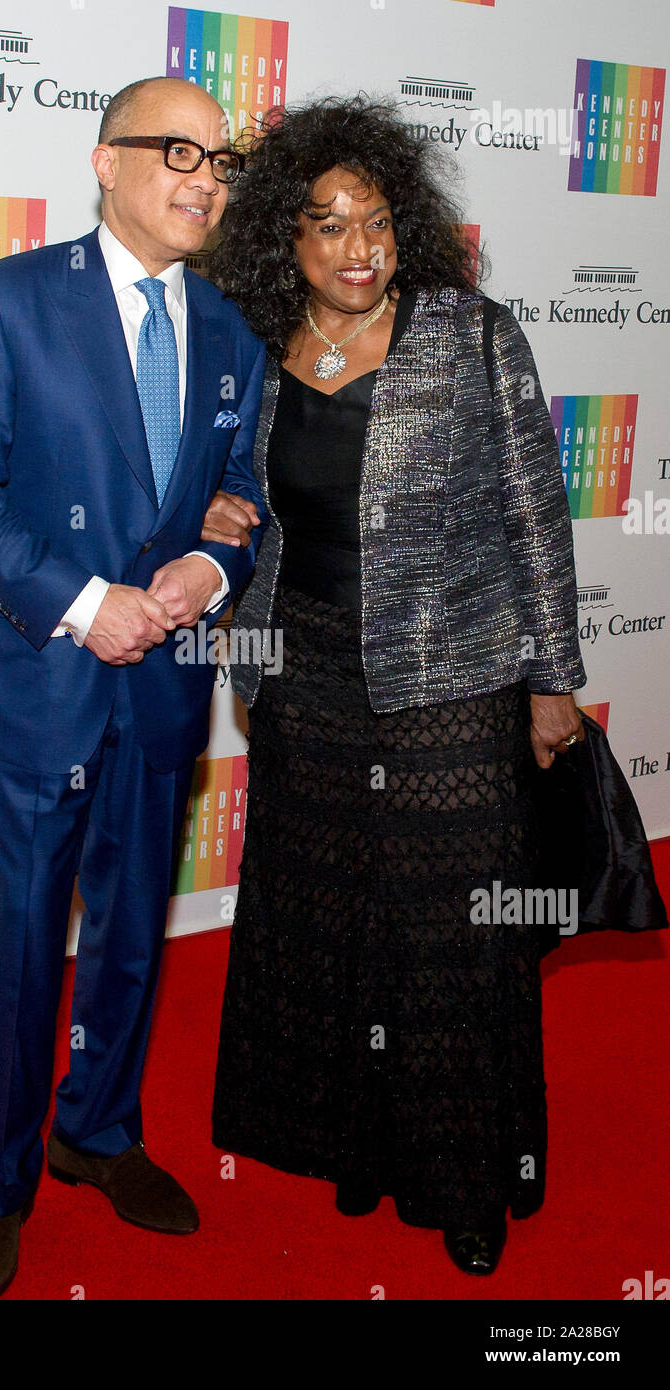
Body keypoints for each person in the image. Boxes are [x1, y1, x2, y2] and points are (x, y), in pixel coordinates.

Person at [202, 96, 586, 1276]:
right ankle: (360, 1148)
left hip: (454, 676)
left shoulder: (472, 335)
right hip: (305, 672)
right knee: (335, 921)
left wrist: (552, 679)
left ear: (402, 228)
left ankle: (468, 1179)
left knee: (450, 933)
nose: (357, 246)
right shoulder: (264, 354)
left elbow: (536, 514)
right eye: (328, 225)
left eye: (375, 222)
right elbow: (251, 518)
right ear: (287, 241)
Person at [0, 76, 267, 1300]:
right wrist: (87, 600)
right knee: (19, 945)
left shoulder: (231, 330)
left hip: (167, 687)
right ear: (102, 160)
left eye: (221, 160)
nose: (205, 177)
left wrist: (209, 568)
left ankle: (98, 1130)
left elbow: (242, 499)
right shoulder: (6, 301)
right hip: (41, 683)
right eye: (177, 150)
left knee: (129, 938)